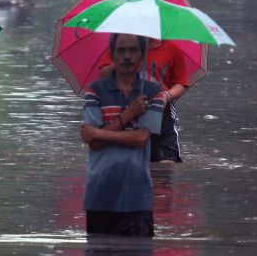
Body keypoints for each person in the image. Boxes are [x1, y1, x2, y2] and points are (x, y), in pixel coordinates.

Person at [79, 33, 167, 236]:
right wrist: (129, 115)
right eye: (121, 50)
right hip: (100, 196)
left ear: (142, 55)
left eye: (133, 50)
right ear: (112, 55)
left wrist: (99, 132)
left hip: (137, 198)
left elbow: (141, 139)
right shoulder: (95, 91)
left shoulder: (153, 91)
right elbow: (94, 144)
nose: (127, 56)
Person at [98, 35, 191, 163]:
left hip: (162, 111)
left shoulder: (172, 49)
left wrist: (166, 96)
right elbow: (104, 74)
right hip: (129, 108)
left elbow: (182, 83)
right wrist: (124, 58)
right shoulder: (122, 47)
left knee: (167, 162)